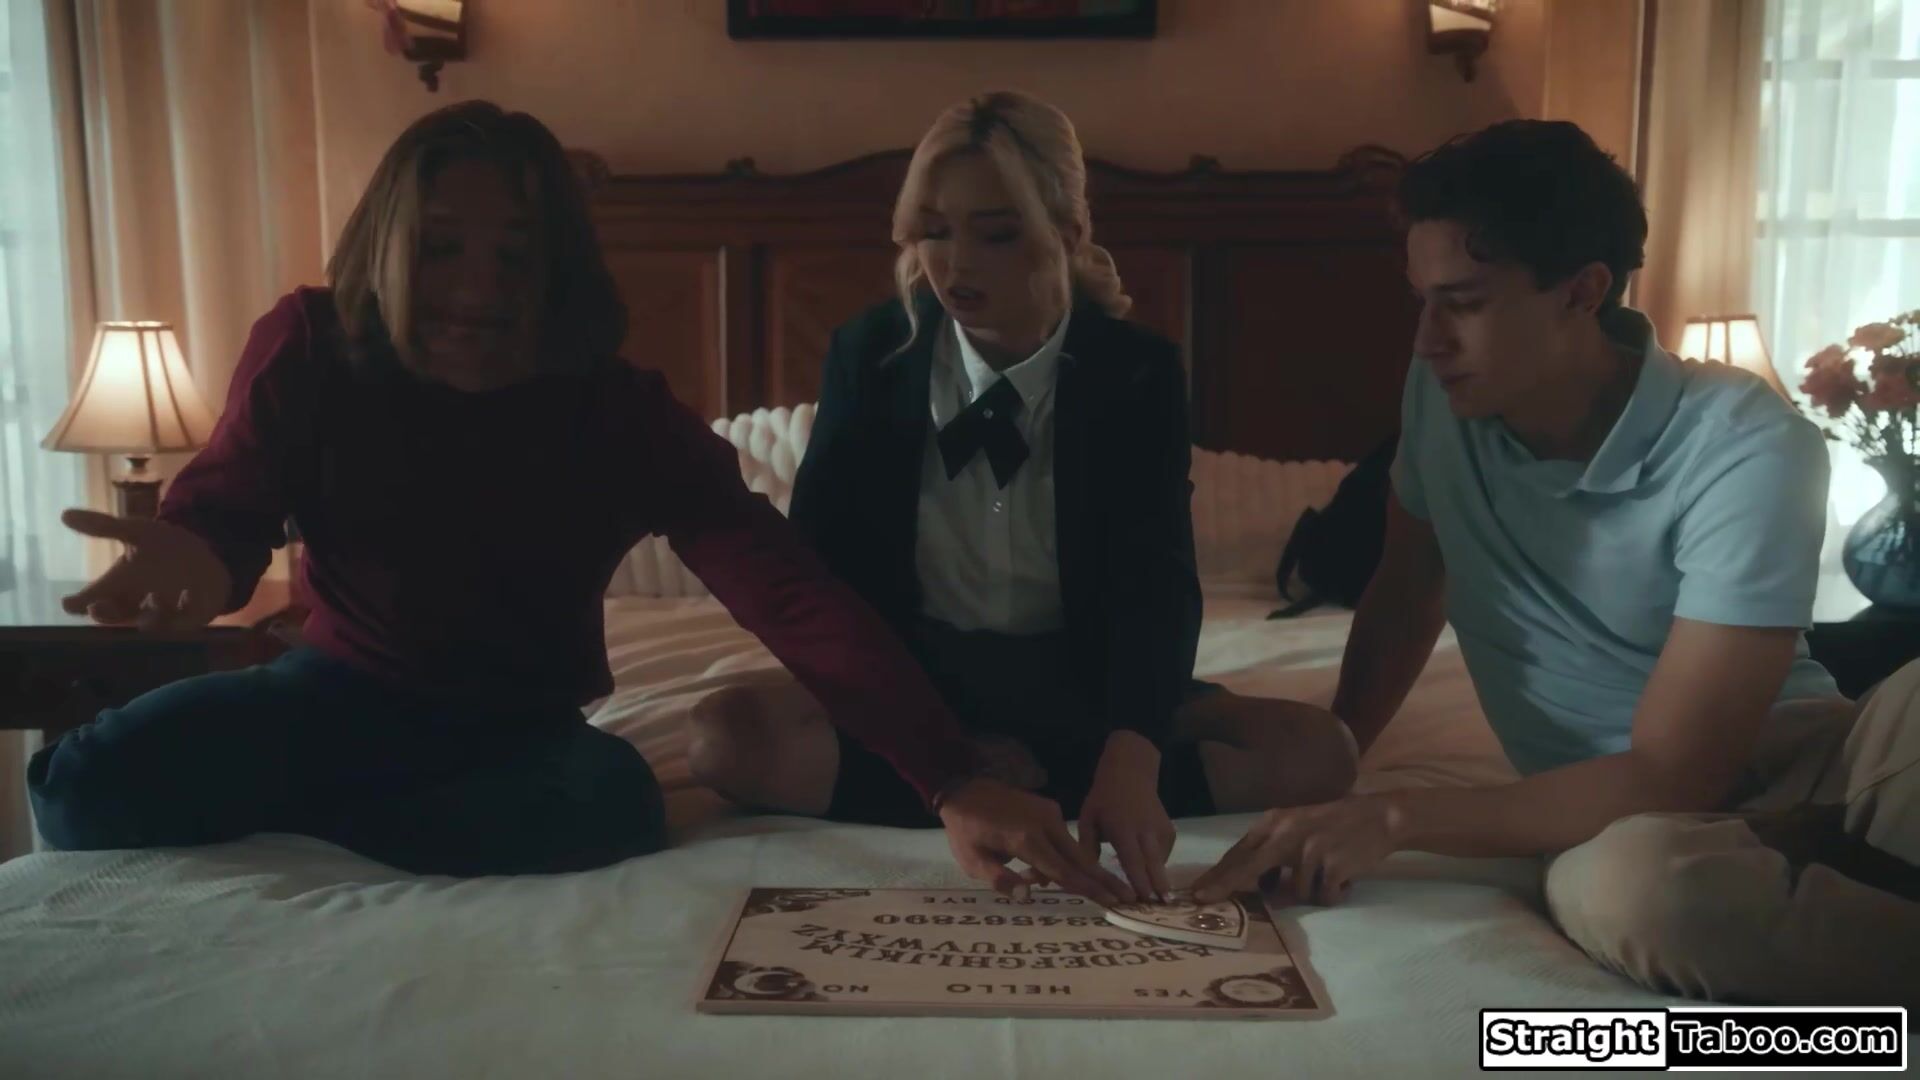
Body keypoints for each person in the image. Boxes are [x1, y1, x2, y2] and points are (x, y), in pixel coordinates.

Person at [26, 99, 1129, 899]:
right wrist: (193, 553)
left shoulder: (614, 410)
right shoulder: (311, 347)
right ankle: (374, 811)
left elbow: (786, 590)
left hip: (515, 734)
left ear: (558, 274)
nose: (475, 290)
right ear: (386, 248)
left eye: (515, 259)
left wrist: (946, 774)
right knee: (78, 790)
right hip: (334, 695)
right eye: (441, 249)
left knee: (610, 808)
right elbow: (226, 514)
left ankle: (338, 814)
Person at [1191, 119, 1920, 1007]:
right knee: (1637, 893)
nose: (1427, 340)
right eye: (1421, 301)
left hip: (1807, 766)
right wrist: (1339, 763)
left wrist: (1394, 815)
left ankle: (1846, 870)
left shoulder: (1746, 443)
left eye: (1464, 303)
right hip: (1620, 826)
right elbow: (1412, 581)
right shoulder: (1441, 394)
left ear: (1582, 291)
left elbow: (1679, 769)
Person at [685, 91, 1357, 903]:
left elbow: (1156, 584)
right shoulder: (871, 355)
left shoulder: (1134, 371)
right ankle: (989, 798)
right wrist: (944, 753)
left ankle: (1072, 793)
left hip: (1083, 687)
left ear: (1066, 232)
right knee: (725, 741)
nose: (957, 266)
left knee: (1321, 753)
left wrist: (1133, 751)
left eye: (997, 234)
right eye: (936, 231)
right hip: (919, 683)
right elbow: (824, 578)